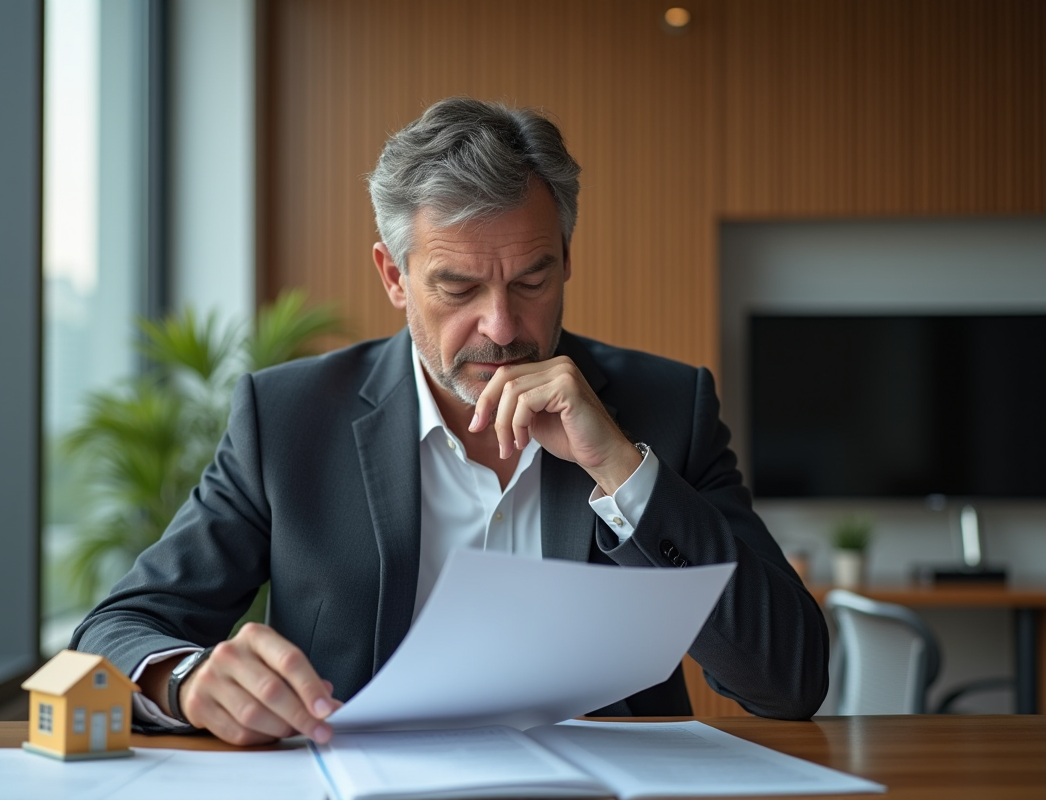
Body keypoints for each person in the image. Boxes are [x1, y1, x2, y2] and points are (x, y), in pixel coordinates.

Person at [71, 97, 829, 746]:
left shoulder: (669, 408)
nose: (501, 327)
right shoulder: (289, 419)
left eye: (531, 279)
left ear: (566, 260)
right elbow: (116, 632)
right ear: (394, 277)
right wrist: (189, 679)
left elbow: (790, 681)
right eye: (458, 287)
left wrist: (623, 472)